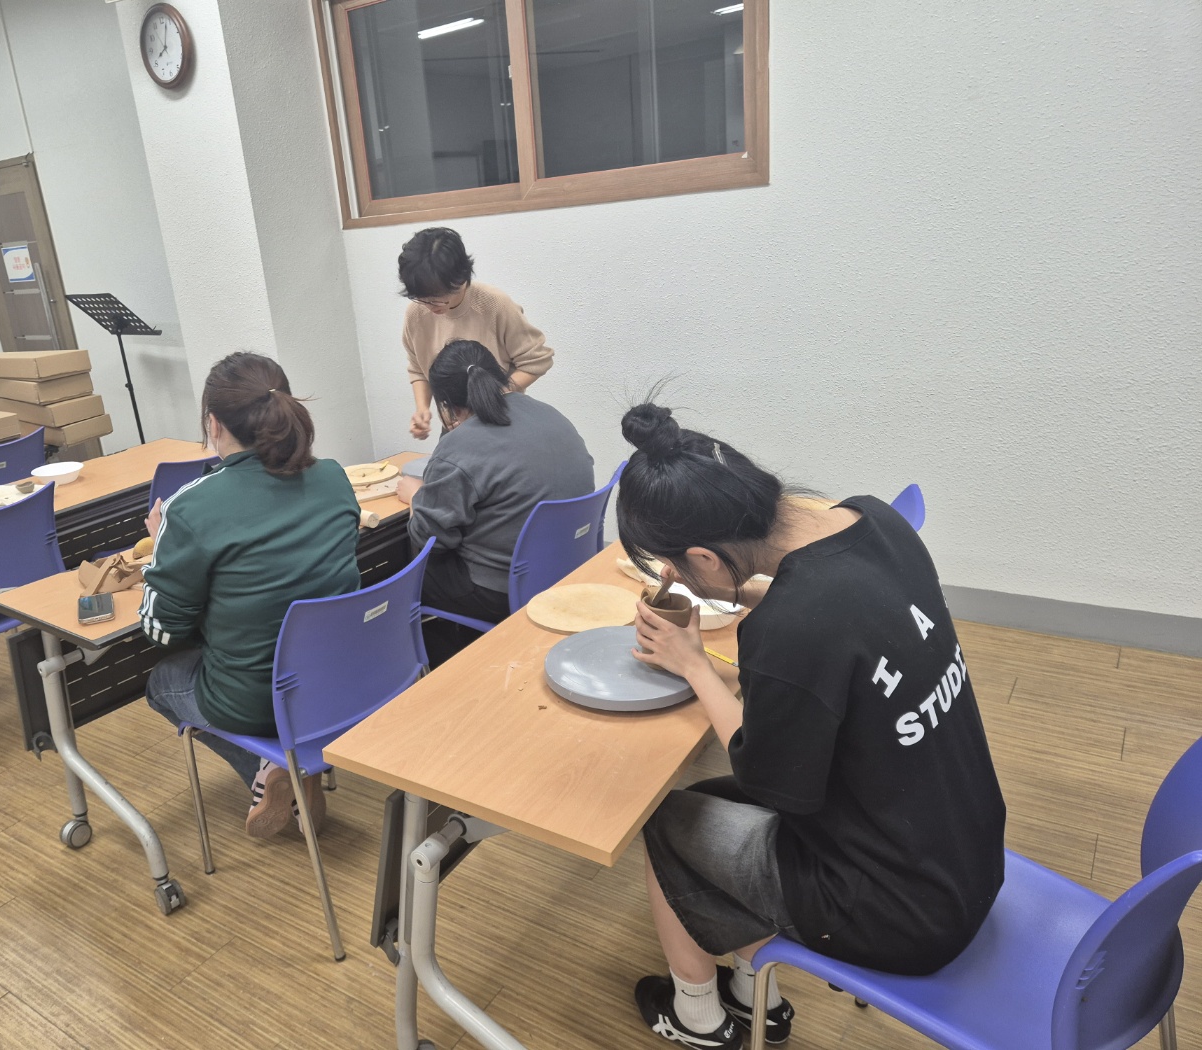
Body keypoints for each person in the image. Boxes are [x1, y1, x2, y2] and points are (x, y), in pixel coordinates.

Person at [617, 402, 1006, 1049]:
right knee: (705, 804)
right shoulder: (876, 520)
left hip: (903, 912)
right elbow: (836, 614)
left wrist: (694, 665)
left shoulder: (791, 629)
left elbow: (768, 782)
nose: (673, 579)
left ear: (705, 557)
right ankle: (754, 996)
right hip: (964, 850)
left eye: (675, 566)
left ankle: (696, 1017)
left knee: (665, 822)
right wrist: (738, 595)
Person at [141, 352, 362, 840]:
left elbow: (161, 630)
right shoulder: (334, 476)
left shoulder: (191, 507)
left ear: (214, 424)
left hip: (255, 699)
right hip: (339, 678)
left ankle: (273, 769)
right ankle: (289, 768)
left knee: (161, 683)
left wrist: (162, 548)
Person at [397, 339, 593, 664]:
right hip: (569, 565)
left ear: (446, 405)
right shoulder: (551, 415)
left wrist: (418, 496)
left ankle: (443, 668)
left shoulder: (460, 445)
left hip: (505, 589)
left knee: (400, 572)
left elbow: (431, 540)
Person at [398, 227, 554, 440]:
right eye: (420, 298)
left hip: (499, 424)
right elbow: (418, 368)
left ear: (460, 279)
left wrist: (489, 399)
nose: (429, 306)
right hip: (454, 429)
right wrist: (422, 409)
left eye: (436, 298)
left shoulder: (495, 305)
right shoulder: (416, 314)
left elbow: (537, 361)